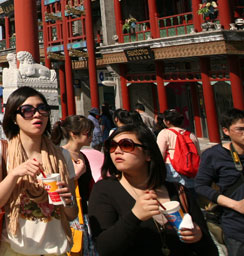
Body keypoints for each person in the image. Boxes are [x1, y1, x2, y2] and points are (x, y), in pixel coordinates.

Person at [88, 122, 217, 256]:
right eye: (112, 146)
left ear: (148, 154)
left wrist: (198, 236)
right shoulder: (104, 190)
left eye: (126, 145)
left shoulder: (178, 191)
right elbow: (104, 248)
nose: (117, 151)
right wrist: (135, 216)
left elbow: (210, 250)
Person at [0, 86, 78, 255]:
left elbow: (72, 215)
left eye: (43, 109)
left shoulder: (61, 156)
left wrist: (68, 200)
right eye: (27, 110)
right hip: (15, 249)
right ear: (14, 117)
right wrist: (14, 174)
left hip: (56, 249)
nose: (37, 114)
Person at [195, 108, 244, 256]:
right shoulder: (214, 155)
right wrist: (235, 204)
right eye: (240, 129)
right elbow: (200, 186)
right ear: (226, 131)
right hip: (237, 227)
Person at [52, 114, 96, 255]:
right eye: (87, 133)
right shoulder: (61, 155)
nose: (91, 136)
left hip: (84, 211)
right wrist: (75, 175)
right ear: (73, 134)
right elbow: (57, 185)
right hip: (70, 214)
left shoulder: (83, 155)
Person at [157, 109, 201, 188]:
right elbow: (198, 154)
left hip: (172, 168)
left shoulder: (165, 133)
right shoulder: (191, 135)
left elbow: (160, 154)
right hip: (191, 169)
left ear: (167, 122)